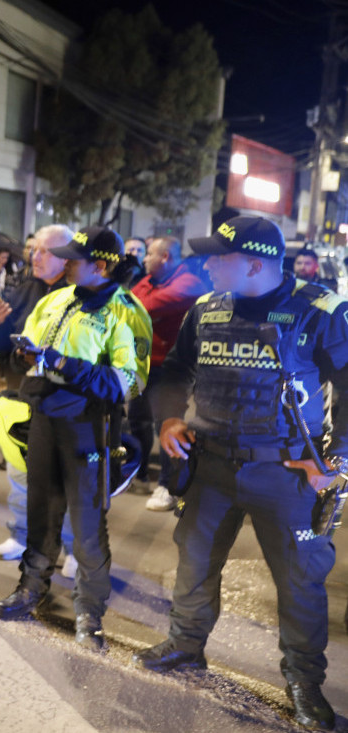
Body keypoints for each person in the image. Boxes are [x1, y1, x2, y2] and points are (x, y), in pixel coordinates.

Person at [133, 216, 348, 731]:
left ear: (254, 263)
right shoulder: (206, 309)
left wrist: (336, 460)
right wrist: (167, 418)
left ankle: (303, 681)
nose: (207, 265)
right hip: (209, 465)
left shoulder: (321, 310)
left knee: (300, 581)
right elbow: (174, 372)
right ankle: (186, 644)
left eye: (218, 258)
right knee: (195, 560)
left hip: (285, 473)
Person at [0, 226, 151, 652]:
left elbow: (130, 383)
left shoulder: (126, 311)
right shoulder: (54, 299)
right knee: (40, 512)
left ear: (100, 265)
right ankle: (30, 589)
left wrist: (63, 363)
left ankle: (89, 613)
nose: (64, 265)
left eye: (73, 260)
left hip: (89, 428)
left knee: (86, 529)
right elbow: (29, 357)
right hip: (43, 419)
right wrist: (21, 354)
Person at [0, 225, 74, 562]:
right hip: (23, 393)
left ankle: (74, 549)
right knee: (20, 471)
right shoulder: (25, 288)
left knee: (67, 480)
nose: (35, 257)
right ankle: (21, 536)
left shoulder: (81, 294)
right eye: (33, 249)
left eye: (45, 251)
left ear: (67, 256)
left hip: (67, 400)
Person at [129, 236, 207, 508]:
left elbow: (143, 307)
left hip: (170, 367)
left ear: (165, 257)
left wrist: (141, 305)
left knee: (168, 422)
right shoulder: (148, 281)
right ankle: (137, 474)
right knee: (137, 419)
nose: (144, 258)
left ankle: (167, 485)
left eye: (149, 253)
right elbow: (129, 303)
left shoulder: (189, 283)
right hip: (141, 364)